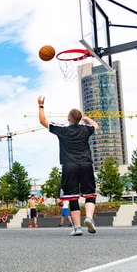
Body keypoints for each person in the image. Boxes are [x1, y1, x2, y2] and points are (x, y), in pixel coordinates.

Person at [38, 95, 98, 236]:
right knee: (90, 193)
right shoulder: (86, 129)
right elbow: (96, 125)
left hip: (70, 166)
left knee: (72, 197)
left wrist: (41, 105)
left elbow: (42, 121)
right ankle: (89, 217)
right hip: (85, 164)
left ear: (69, 119)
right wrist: (86, 118)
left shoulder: (63, 130)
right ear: (79, 119)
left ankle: (77, 228)